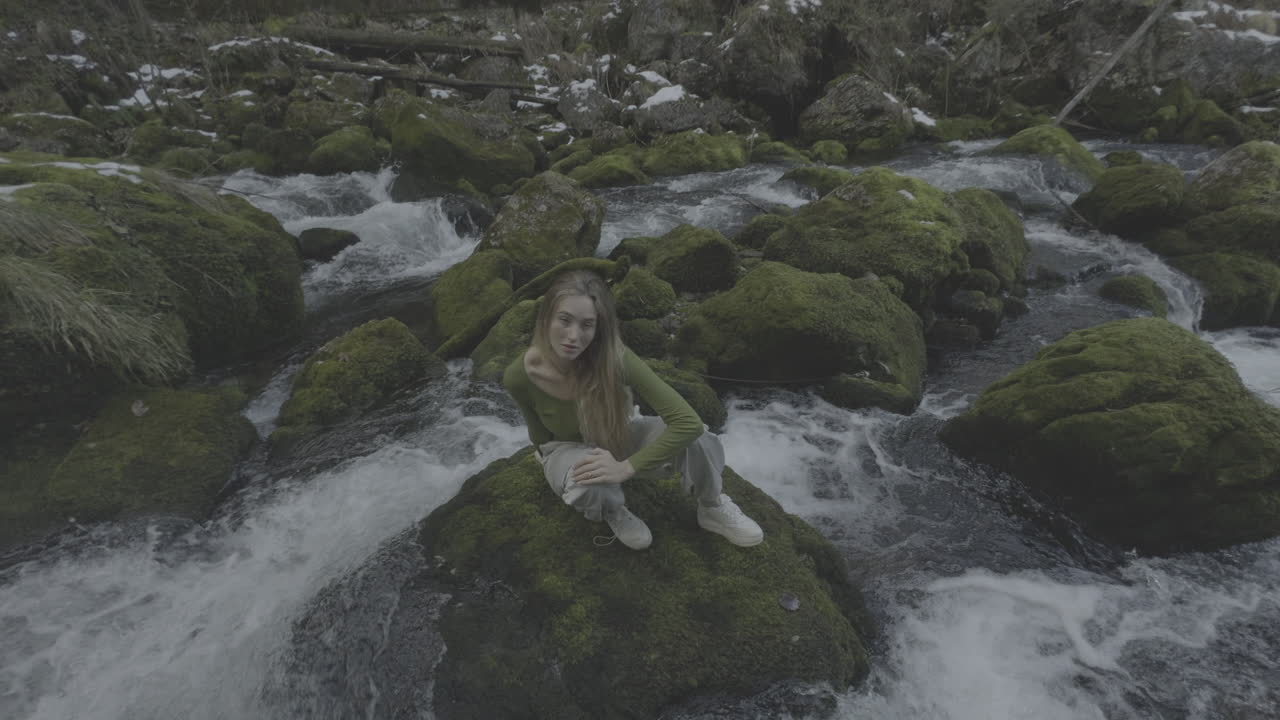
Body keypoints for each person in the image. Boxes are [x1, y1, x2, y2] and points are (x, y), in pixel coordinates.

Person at [502, 269, 764, 550]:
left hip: (618, 436)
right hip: (568, 447)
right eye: (564, 320)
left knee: (698, 437)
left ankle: (712, 506)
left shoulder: (614, 358)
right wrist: (558, 467)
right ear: (546, 319)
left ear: (599, 328)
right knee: (585, 481)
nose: (573, 336)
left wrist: (627, 468)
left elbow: (687, 422)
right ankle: (613, 509)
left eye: (587, 325)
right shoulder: (519, 376)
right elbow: (540, 436)